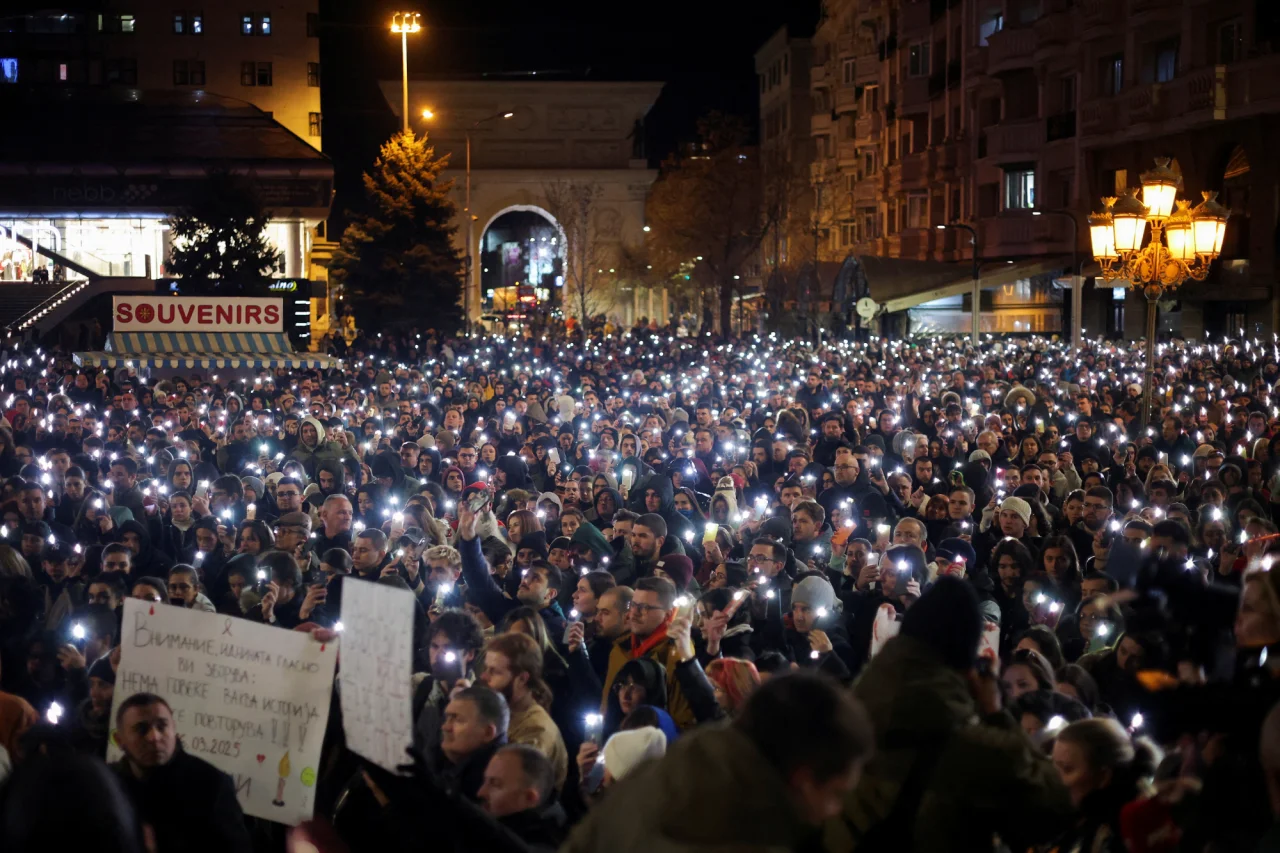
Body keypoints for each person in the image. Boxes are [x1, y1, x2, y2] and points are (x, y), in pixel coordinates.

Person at [832, 577, 1073, 851]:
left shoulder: (838, 721)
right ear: (965, 661)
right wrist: (995, 714)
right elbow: (1052, 811)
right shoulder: (974, 748)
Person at [562, 673, 874, 852]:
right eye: (836, 794)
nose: (835, 810)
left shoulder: (664, 775)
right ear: (804, 781)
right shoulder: (741, 838)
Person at [111, 693, 251, 853]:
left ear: (174, 729)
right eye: (141, 729)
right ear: (119, 740)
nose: (154, 737)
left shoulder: (210, 783)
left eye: (162, 726)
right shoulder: (107, 786)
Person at [479, 632, 569, 792]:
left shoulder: (537, 731)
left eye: (494, 671)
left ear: (522, 679)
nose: (484, 676)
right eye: (486, 668)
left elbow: (509, 788)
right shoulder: (503, 711)